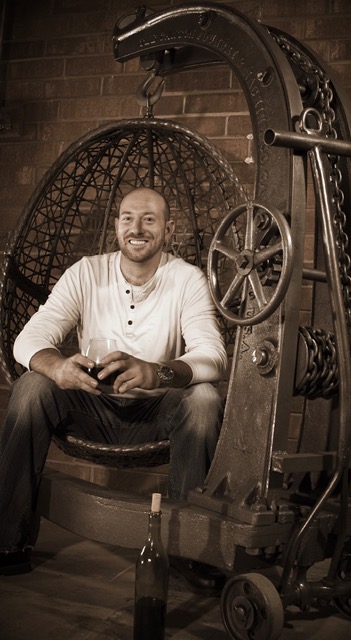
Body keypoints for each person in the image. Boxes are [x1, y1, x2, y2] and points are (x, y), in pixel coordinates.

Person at [0, 187, 228, 583]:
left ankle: (190, 552)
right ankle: (7, 541)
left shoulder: (186, 279)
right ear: (116, 225)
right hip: (90, 405)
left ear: (169, 229)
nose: (136, 228)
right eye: (127, 218)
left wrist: (157, 372)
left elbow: (213, 356)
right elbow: (28, 339)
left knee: (204, 400)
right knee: (31, 387)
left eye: (149, 219)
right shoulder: (86, 271)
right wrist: (56, 367)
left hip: (158, 412)